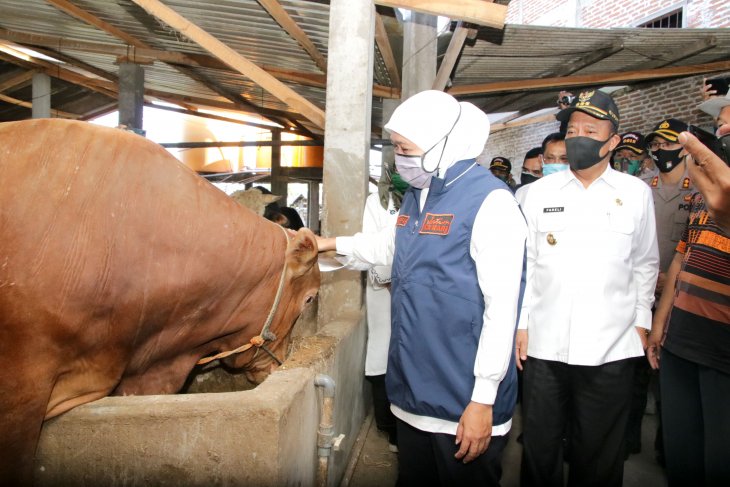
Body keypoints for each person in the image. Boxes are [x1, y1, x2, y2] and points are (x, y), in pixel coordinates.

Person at [317, 90, 527, 487]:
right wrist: (328, 245)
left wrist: (482, 400)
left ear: (440, 145)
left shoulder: (491, 203)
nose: (399, 158)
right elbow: (388, 247)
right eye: (396, 147)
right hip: (413, 389)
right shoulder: (418, 196)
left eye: (405, 148)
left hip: (462, 395)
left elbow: (502, 311)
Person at [516, 89, 659, 487]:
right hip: (545, 344)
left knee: (598, 454)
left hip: (611, 347)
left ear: (612, 142)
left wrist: (641, 320)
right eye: (573, 129)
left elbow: (646, 263)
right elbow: (525, 266)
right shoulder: (538, 194)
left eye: (590, 130)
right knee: (540, 451)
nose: (579, 136)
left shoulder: (635, 194)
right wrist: (522, 324)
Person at [646, 152, 729, 486]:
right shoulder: (699, 198)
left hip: (722, 348)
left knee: (719, 457)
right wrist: (660, 325)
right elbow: (683, 258)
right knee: (682, 451)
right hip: (681, 339)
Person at [362, 158, 408, 453]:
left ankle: (409, 425)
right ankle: (389, 427)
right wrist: (391, 280)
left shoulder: (431, 197)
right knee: (383, 351)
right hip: (385, 288)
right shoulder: (377, 201)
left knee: (411, 355)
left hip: (419, 290)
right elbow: (372, 243)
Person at [516, 133, 566, 206]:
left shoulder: (582, 192)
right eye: (550, 158)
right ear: (541, 159)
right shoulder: (523, 194)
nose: (556, 163)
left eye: (564, 158)